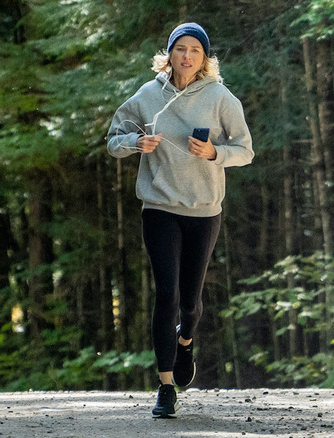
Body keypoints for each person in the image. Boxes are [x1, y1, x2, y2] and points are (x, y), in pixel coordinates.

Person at [106, 22, 253, 418]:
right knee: (166, 293)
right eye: (180, 49)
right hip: (159, 207)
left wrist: (212, 154)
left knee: (190, 302)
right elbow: (113, 139)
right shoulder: (148, 95)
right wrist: (135, 143)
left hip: (204, 210)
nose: (187, 56)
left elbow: (245, 150)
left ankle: (185, 340)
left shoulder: (221, 98)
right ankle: (165, 386)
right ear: (169, 54)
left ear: (205, 59)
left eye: (195, 50)